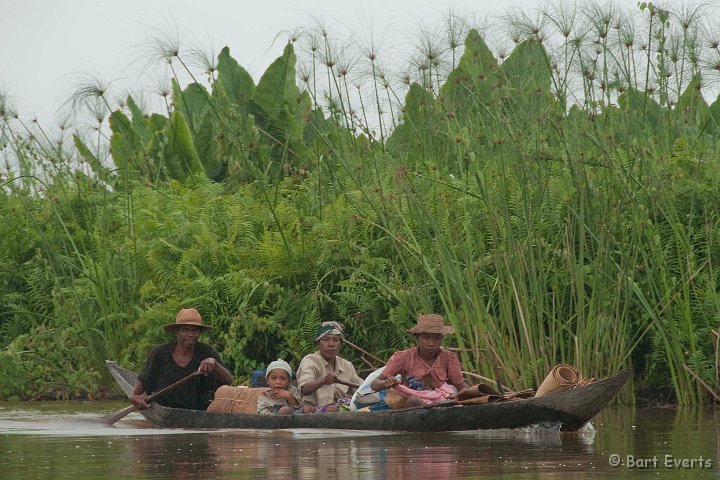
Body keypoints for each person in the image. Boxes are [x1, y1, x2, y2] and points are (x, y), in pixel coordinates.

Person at [131, 308, 233, 411]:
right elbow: (143, 379)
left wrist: (215, 364)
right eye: (185, 330)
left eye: (195, 330)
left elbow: (229, 380)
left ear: (199, 333)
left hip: (198, 410)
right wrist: (135, 396)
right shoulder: (159, 353)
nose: (190, 334)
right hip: (164, 406)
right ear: (176, 332)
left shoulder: (207, 352)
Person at [370, 314, 468, 408]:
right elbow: (374, 384)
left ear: (441, 339)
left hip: (442, 401)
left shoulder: (449, 358)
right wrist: (385, 383)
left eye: (436, 338)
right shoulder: (403, 357)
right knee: (414, 400)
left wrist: (459, 396)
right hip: (413, 403)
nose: (431, 343)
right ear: (417, 338)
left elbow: (462, 386)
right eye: (426, 337)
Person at [296, 321, 363, 413]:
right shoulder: (310, 361)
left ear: (340, 344)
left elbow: (362, 388)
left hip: (340, 411)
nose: (331, 344)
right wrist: (322, 381)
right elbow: (304, 389)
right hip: (313, 411)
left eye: (336, 340)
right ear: (318, 344)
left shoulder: (347, 365)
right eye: (326, 339)